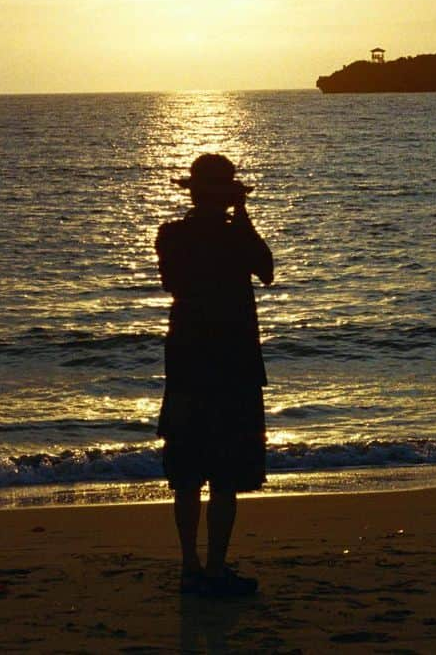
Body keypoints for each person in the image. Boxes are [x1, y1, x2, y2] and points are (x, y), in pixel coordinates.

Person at [156, 152, 274, 598]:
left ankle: (192, 567)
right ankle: (213, 568)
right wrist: (242, 217)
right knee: (224, 477)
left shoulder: (173, 235)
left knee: (188, 474)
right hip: (232, 367)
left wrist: (236, 220)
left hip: (189, 363)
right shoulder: (230, 238)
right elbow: (267, 269)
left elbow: (174, 282)